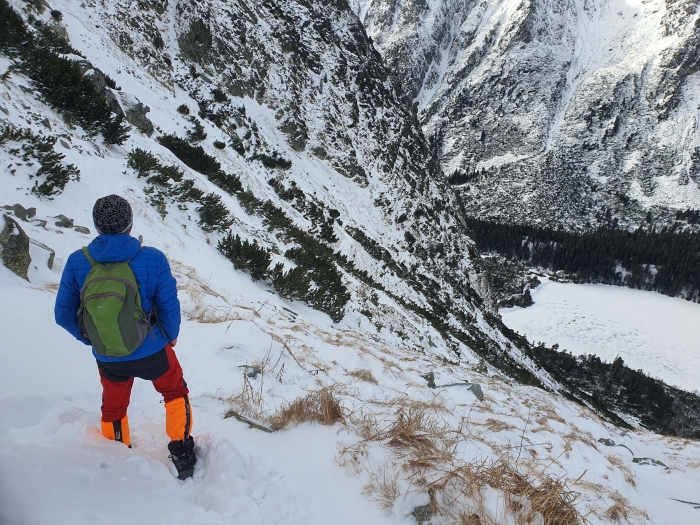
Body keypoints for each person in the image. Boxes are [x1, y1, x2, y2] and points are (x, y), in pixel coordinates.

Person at [55, 194, 196, 480]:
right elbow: (168, 305)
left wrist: (94, 339)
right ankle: (182, 450)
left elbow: (63, 314)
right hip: (153, 349)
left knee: (114, 404)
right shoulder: (152, 258)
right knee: (174, 392)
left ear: (97, 225)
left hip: (109, 356)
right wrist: (171, 336)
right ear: (130, 224)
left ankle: (116, 450)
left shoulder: (77, 262)